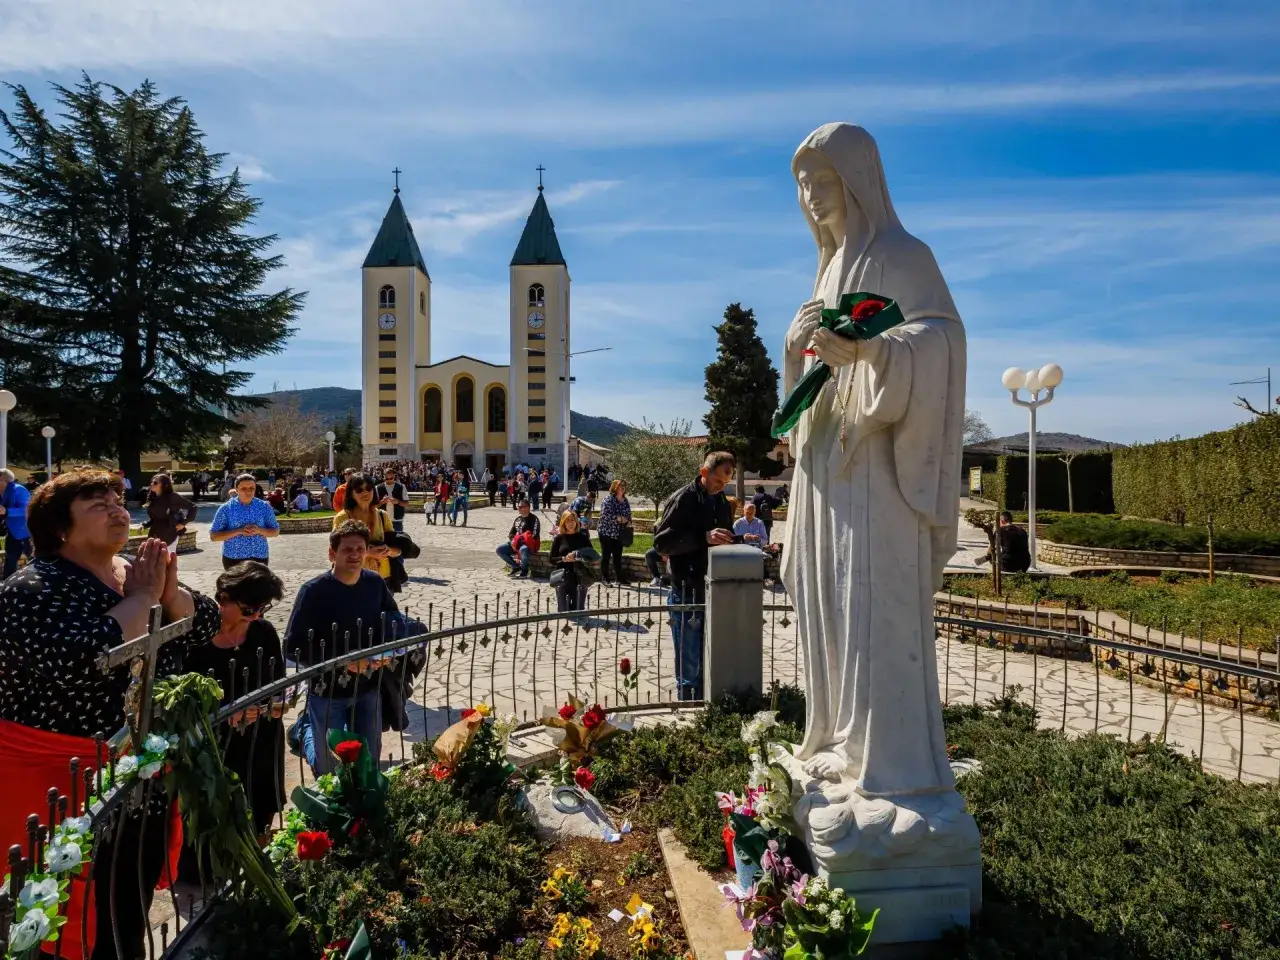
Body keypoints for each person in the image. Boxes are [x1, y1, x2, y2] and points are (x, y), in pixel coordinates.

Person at [0, 470, 220, 960]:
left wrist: (167, 592)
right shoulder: (33, 588)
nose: (118, 507)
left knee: (126, 902)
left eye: (118, 498)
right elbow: (82, 662)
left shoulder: (130, 570)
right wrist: (141, 599)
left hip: (138, 774)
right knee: (66, 914)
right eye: (97, 502)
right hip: (63, 784)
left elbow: (202, 623)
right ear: (60, 528)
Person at [179, 561, 287, 884]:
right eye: (250, 607)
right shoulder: (196, 641)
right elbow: (185, 700)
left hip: (261, 740)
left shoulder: (264, 633)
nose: (256, 615)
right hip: (216, 748)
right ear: (224, 597)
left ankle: (256, 868)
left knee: (260, 804)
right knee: (215, 814)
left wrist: (272, 706)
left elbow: (280, 687)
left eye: (262, 608)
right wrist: (224, 712)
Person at [287, 522, 404, 775]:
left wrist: (387, 652)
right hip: (328, 690)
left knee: (368, 760)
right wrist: (342, 661)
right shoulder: (313, 592)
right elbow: (292, 646)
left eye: (360, 549)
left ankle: (362, 811)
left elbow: (392, 617)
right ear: (332, 553)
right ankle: (306, 732)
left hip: (369, 685)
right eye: (346, 549)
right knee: (329, 767)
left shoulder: (374, 583)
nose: (354, 555)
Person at [653, 451, 737, 699]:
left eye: (726, 483)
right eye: (718, 481)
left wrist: (736, 540)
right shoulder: (683, 499)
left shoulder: (720, 501)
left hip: (713, 587)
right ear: (703, 472)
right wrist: (703, 538)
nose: (721, 488)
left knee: (708, 652)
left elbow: (722, 534)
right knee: (688, 657)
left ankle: (706, 704)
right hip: (686, 588)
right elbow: (662, 544)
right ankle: (689, 704)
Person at [333, 473, 401, 583]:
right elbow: (335, 551)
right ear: (351, 494)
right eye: (359, 490)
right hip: (352, 578)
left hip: (382, 578)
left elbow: (397, 550)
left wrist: (386, 551)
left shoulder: (382, 516)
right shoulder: (343, 517)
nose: (365, 493)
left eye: (368, 489)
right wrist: (369, 553)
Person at [209, 473, 281, 569]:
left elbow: (275, 531)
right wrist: (239, 531)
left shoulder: (264, 507)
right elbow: (214, 536)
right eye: (244, 488)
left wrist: (260, 530)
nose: (248, 491)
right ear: (237, 489)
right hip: (233, 558)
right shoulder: (226, 508)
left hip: (259, 557)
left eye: (252, 488)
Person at [549, 510, 594, 613]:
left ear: (576, 522)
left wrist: (578, 556)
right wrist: (563, 559)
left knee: (578, 610)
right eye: (568, 520)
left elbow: (592, 555)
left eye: (573, 520)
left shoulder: (583, 538)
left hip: (580, 577)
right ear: (563, 522)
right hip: (563, 576)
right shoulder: (559, 539)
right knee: (563, 611)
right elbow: (551, 559)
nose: (570, 523)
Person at [142, 473, 197, 555]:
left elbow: (193, 507)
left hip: (169, 534)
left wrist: (184, 523)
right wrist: (145, 525)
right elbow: (155, 518)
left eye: (155, 483)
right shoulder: (153, 498)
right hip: (155, 533)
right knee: (155, 562)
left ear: (164, 485)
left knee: (168, 562)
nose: (152, 484)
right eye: (152, 482)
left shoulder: (172, 497)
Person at [596, 478, 633, 584]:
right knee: (606, 555)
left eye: (624, 486)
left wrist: (629, 521)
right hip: (606, 532)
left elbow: (628, 514)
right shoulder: (608, 499)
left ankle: (620, 578)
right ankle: (605, 578)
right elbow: (605, 515)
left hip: (619, 533)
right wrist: (620, 518)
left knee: (617, 556)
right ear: (615, 487)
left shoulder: (625, 500)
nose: (623, 487)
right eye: (620, 485)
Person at [0, 467, 33, 578]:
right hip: (12, 532)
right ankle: (6, 586)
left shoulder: (19, 490)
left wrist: (7, 511)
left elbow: (27, 509)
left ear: (3, 479)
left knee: (33, 560)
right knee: (10, 561)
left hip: (27, 532)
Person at [497, 500, 541, 578]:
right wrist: (512, 541)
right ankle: (516, 567)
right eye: (519, 507)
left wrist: (520, 541)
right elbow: (511, 533)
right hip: (516, 543)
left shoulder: (534, 519)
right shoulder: (518, 519)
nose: (519, 508)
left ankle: (524, 571)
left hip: (528, 545)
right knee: (500, 549)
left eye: (521, 507)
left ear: (527, 508)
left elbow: (535, 535)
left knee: (523, 549)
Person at [375, 467, 410, 534]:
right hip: (382, 520)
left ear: (394, 476)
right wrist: (382, 502)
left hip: (397, 520)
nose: (389, 480)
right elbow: (373, 506)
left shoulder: (401, 487)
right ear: (383, 477)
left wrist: (397, 502)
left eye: (391, 478)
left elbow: (407, 504)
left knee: (397, 541)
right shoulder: (377, 488)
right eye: (386, 478)